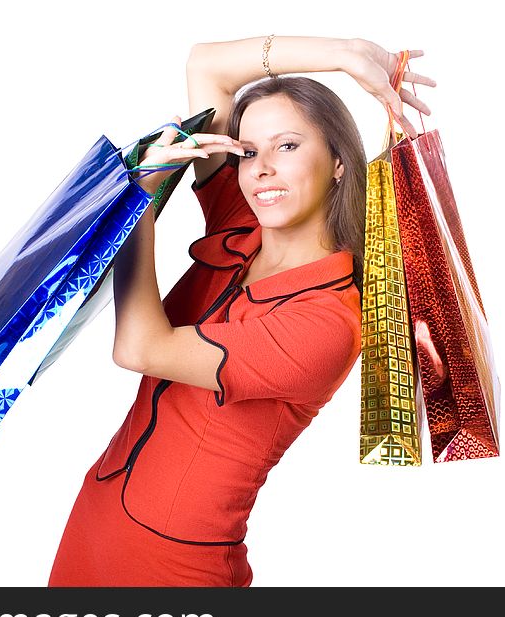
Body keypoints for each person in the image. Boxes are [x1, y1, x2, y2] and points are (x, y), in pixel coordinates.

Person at [47, 35, 435, 586]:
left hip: (178, 568)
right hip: (95, 521)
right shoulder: (240, 228)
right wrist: (347, 56)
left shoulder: (327, 323)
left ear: (340, 164)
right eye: (249, 152)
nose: (261, 169)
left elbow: (139, 349)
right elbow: (206, 65)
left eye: (288, 146)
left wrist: (139, 200)